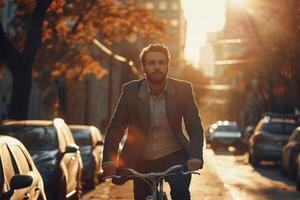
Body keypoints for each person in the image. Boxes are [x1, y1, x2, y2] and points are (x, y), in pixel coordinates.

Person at [102, 43, 204, 200]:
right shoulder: (130, 91)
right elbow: (116, 127)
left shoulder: (183, 90)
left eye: (161, 62)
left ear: (168, 66)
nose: (157, 67)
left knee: (180, 194)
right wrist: (110, 160)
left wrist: (195, 156)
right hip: (141, 158)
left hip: (174, 155)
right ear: (143, 67)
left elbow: (194, 126)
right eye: (151, 63)